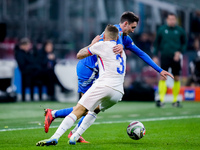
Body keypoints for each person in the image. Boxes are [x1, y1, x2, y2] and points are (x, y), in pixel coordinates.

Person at [36, 23, 173, 147]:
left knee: (80, 109)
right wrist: (159, 70)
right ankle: (74, 135)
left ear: (105, 36)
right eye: (132, 27)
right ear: (124, 25)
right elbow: (136, 51)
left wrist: (92, 44)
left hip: (103, 82)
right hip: (117, 91)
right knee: (94, 109)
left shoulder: (103, 44)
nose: (133, 30)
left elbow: (79, 54)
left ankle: (55, 134)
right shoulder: (122, 51)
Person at [153, 13, 187, 107]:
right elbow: (156, 44)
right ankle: (161, 100)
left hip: (176, 57)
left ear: (175, 20)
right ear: (167, 20)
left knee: (176, 77)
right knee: (163, 76)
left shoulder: (180, 30)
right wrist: (155, 55)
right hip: (165, 56)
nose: (172, 21)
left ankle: (175, 101)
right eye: (170, 19)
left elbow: (184, 43)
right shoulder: (162, 30)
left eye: (173, 19)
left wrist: (179, 52)